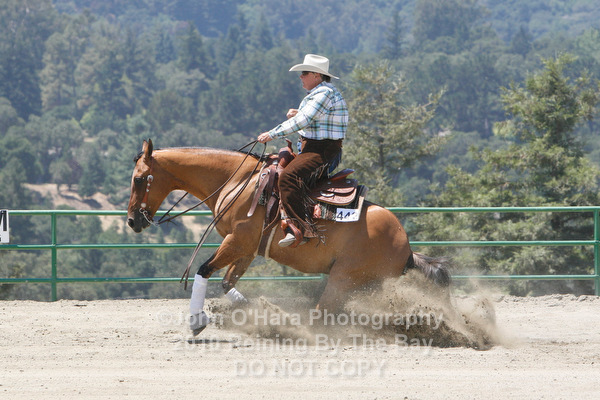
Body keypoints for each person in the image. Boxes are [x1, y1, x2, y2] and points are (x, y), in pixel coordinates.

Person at [257, 54, 348, 247]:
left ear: (316, 75)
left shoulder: (323, 94)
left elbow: (303, 121)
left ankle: (300, 229)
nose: (301, 76)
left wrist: (272, 134)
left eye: (304, 73)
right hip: (316, 148)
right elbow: (314, 118)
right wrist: (299, 113)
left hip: (321, 150)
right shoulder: (322, 93)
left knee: (288, 177)